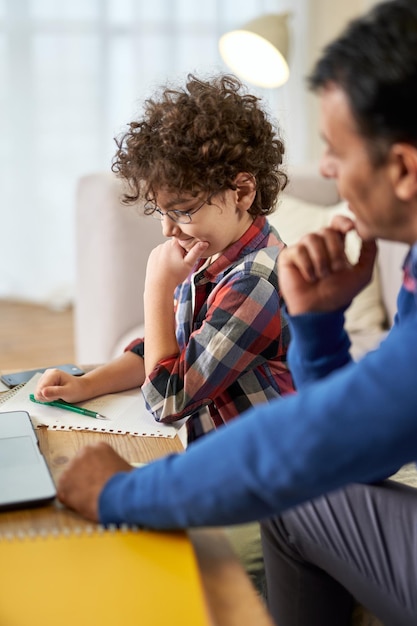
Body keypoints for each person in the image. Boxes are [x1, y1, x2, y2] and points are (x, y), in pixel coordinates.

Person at [54, 1, 417, 623]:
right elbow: (363, 445)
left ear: (403, 167)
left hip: (247, 451)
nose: (325, 172)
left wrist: (121, 493)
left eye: (334, 151)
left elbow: (298, 450)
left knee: (292, 495)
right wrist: (320, 327)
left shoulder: (256, 272)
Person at [35, 74, 294, 593]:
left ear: (241, 191)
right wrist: (90, 383)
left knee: (139, 565)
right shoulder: (217, 255)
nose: (168, 230)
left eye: (182, 211)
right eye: (162, 212)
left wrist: (156, 290)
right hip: (218, 458)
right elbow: (169, 349)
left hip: (268, 489)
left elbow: (170, 395)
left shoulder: (259, 279)